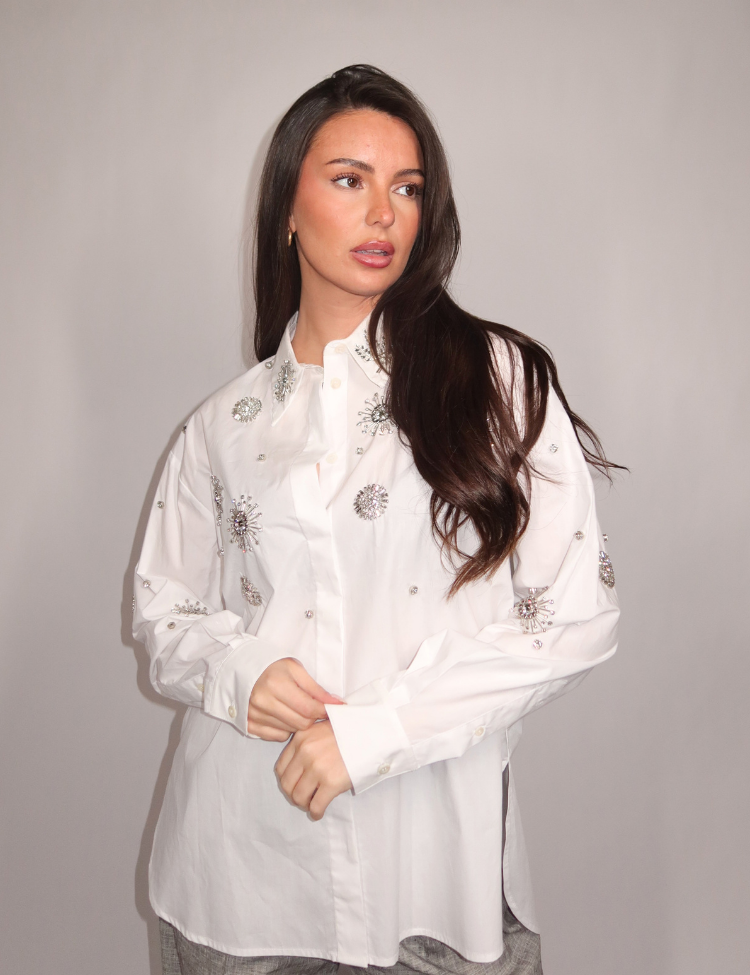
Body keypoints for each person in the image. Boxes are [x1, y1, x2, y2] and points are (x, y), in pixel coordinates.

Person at [133, 64, 621, 975]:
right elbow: (162, 612)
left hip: (434, 880)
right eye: (349, 180)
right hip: (240, 878)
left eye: (408, 188)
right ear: (286, 207)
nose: (384, 214)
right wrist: (238, 672)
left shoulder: (497, 383)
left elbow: (574, 617)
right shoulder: (221, 427)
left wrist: (377, 733)